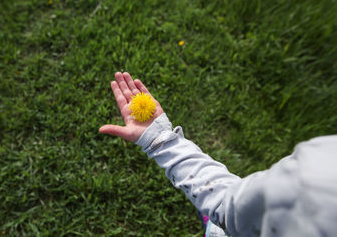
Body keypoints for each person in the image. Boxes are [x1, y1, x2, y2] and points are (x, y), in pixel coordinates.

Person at [99, 72, 337, 237]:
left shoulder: (314, 181)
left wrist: (162, 143)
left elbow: (233, 205)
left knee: (231, 215)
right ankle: (218, 226)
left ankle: (219, 224)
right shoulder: (319, 176)